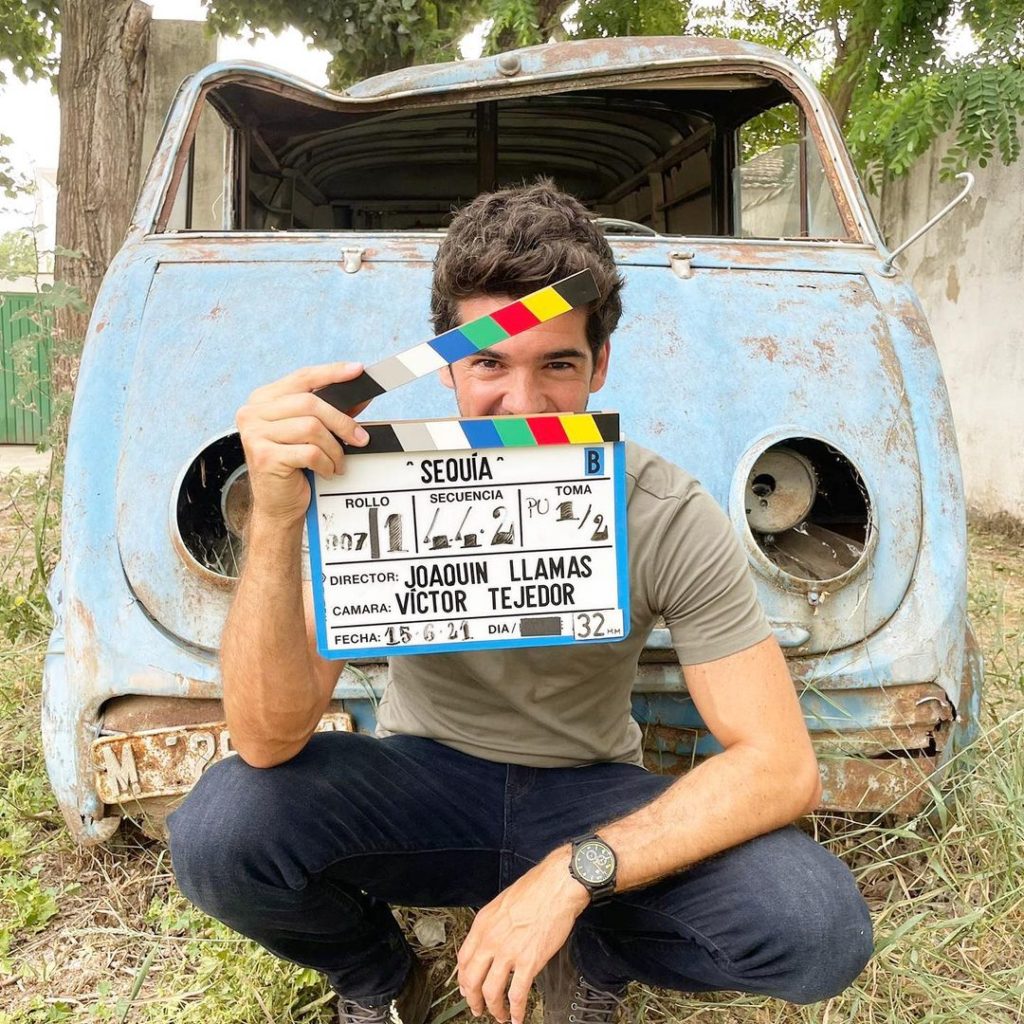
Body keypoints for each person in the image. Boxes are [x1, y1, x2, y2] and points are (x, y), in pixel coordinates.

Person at [167, 180, 873, 1024]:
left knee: (816, 924)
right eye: (490, 363)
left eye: (558, 365)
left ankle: (597, 952)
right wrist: (279, 520)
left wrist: (579, 872)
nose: (524, 403)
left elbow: (781, 765)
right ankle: (379, 975)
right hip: (420, 779)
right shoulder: (367, 493)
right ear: (448, 366)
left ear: (600, 365)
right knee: (221, 830)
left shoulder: (665, 510)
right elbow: (267, 737)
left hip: (590, 791)